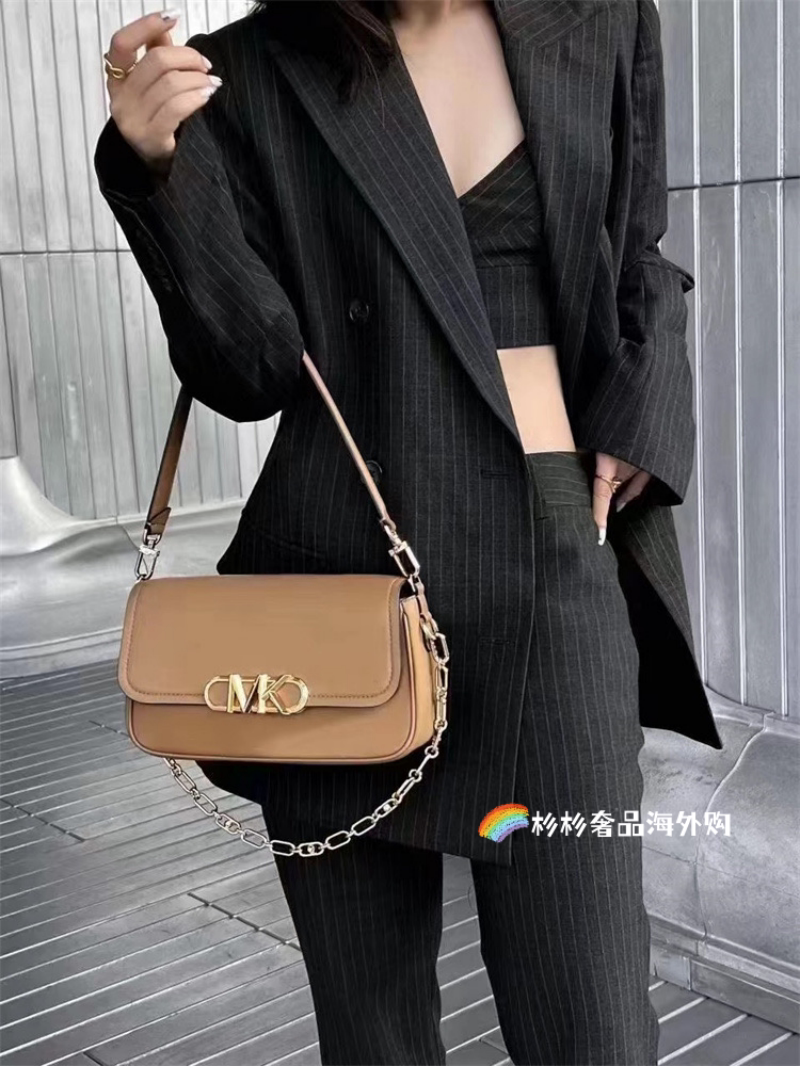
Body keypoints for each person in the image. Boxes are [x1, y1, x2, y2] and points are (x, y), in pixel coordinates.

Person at [94, 2, 724, 1063]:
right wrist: (157, 167)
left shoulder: (601, 15)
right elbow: (249, 371)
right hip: (335, 581)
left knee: (593, 1018)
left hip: (549, 557)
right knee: (371, 1027)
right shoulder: (247, 67)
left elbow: (639, 253)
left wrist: (639, 419)